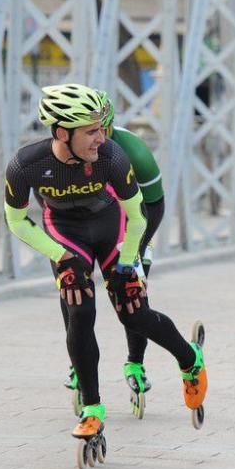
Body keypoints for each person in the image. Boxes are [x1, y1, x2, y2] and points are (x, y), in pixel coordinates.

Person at [3, 83, 207, 444]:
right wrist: (59, 256)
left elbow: (139, 217)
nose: (102, 137)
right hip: (65, 233)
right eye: (91, 131)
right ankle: (93, 411)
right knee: (79, 307)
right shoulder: (26, 166)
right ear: (62, 132)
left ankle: (189, 359)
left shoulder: (113, 157)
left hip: (112, 227)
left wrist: (130, 265)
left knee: (133, 311)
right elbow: (18, 221)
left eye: (102, 128)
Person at [61, 90, 165, 416]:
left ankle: (135, 361)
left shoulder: (133, 151)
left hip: (132, 221)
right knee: (74, 291)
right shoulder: (63, 150)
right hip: (86, 222)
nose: (97, 141)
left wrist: (136, 251)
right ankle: (79, 363)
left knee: (133, 292)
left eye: (100, 132)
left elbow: (155, 207)